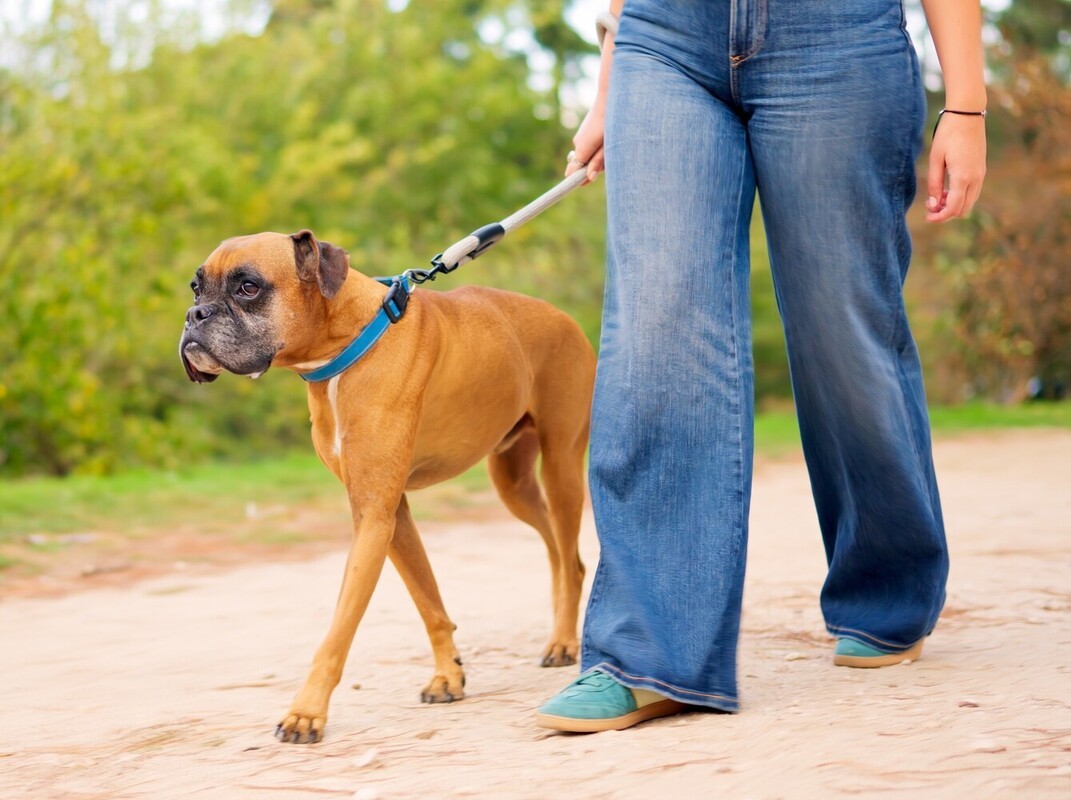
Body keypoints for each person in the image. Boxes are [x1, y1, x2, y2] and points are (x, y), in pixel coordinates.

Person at [536, 0, 987, 733]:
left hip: (836, 40)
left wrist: (965, 105)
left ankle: (886, 589)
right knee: (658, 325)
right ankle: (649, 652)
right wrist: (609, 87)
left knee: (840, 325)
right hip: (665, 39)